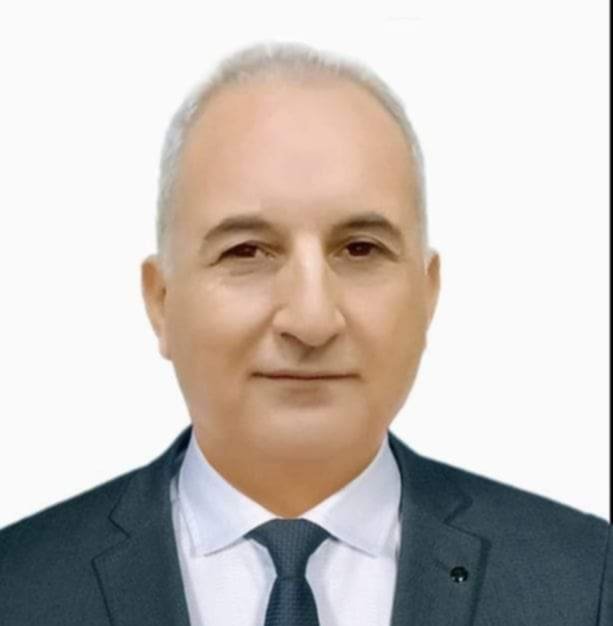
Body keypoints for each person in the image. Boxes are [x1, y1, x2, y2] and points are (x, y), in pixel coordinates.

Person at [0, 41, 610, 626]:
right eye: (247, 251)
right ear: (161, 301)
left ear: (428, 295)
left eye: (361, 248)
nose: (311, 320)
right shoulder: (18, 586)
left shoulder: (586, 581)